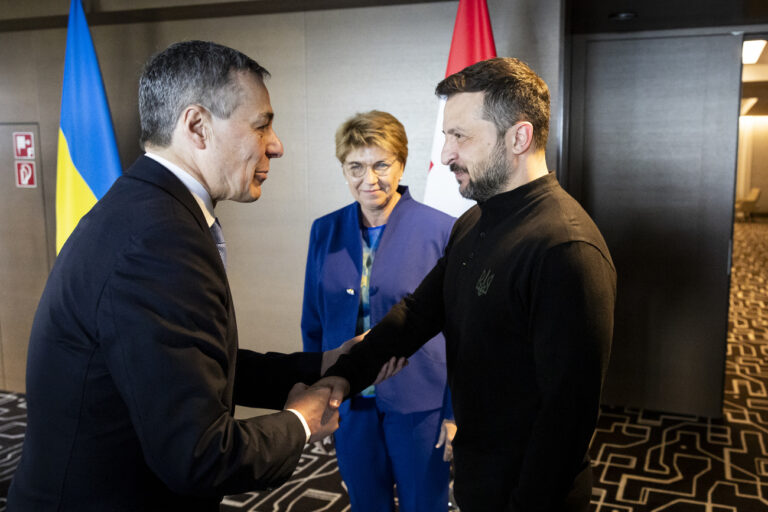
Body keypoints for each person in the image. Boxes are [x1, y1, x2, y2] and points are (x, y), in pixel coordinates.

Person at [6, 41, 401, 512]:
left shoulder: (146, 208)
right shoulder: (158, 239)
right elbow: (197, 456)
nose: (276, 145)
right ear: (197, 126)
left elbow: (181, 367)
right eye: (262, 124)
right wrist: (300, 422)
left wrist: (318, 366)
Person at [320, 57, 617, 512]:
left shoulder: (566, 249)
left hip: (531, 494)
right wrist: (341, 377)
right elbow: (417, 315)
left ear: (519, 137)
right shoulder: (474, 220)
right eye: (446, 135)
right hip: (479, 473)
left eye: (459, 136)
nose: (445, 154)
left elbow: (567, 421)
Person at [301, 110, 455, 512]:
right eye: (355, 167)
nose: (368, 179)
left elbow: (462, 332)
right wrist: (318, 391)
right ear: (343, 169)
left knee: (425, 503)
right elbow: (313, 322)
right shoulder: (325, 230)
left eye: (380, 164)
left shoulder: (443, 230)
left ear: (401, 163)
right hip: (349, 401)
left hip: (421, 400)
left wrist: (455, 412)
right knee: (367, 503)